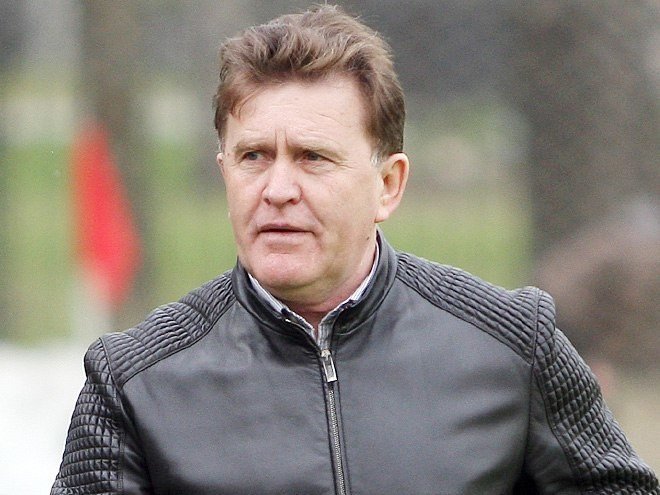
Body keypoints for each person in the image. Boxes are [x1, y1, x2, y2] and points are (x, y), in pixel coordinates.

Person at [52, 5, 658, 494]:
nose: (278, 189)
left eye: (313, 157)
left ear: (388, 184)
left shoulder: (515, 345)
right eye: (253, 156)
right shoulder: (133, 382)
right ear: (224, 171)